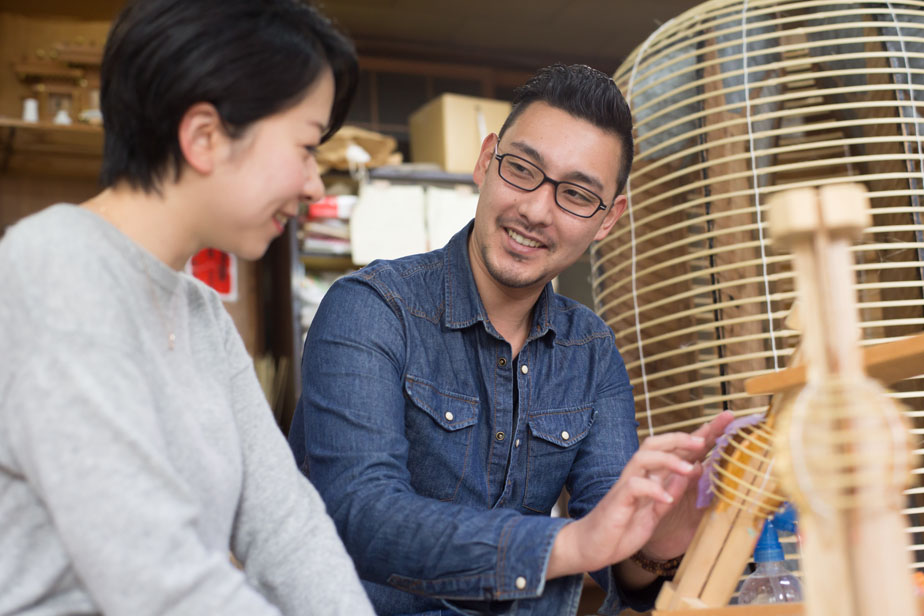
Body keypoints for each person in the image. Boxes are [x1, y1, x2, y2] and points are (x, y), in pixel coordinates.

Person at [288, 63, 734, 615]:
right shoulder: (372, 309)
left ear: (608, 219)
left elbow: (618, 561)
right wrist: (568, 542)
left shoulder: (590, 350)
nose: (535, 210)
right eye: (522, 169)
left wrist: (664, 536)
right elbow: (361, 514)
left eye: (576, 194)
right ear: (486, 160)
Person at [0, 1, 374, 614]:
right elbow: (156, 576)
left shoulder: (201, 312)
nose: (314, 183)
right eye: (306, 147)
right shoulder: (53, 265)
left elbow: (287, 529)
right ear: (204, 137)